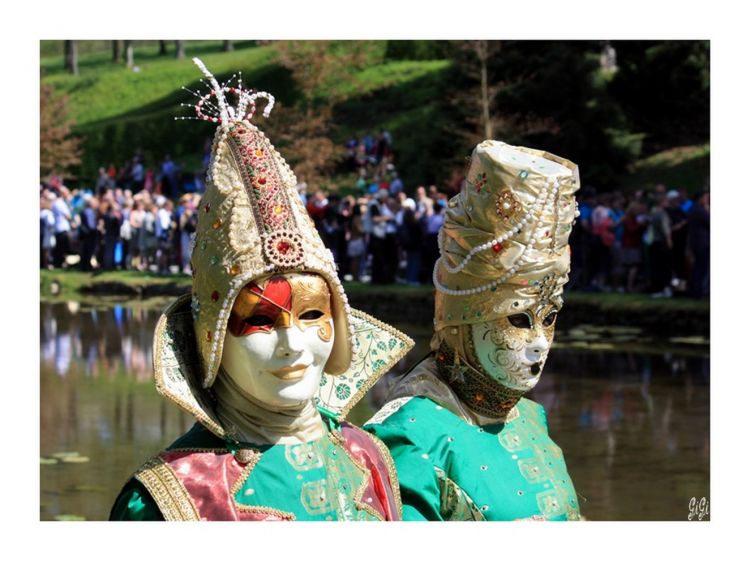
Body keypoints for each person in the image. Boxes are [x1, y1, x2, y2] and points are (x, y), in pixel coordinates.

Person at [110, 59, 411, 521]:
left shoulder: (368, 456)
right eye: (260, 321)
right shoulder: (169, 499)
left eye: (312, 315)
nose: (294, 345)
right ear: (212, 339)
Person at [365, 140, 582, 521]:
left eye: (548, 319)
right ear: (463, 322)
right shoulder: (407, 437)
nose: (539, 345)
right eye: (518, 320)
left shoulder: (530, 419)